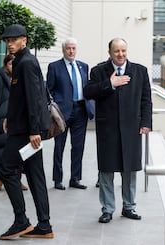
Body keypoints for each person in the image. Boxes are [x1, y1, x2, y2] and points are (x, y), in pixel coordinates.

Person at [83, 38, 152, 223]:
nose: (120, 54)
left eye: (123, 50)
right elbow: (88, 92)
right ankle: (107, 209)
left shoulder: (140, 71)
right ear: (110, 52)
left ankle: (129, 207)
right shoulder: (99, 71)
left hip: (132, 128)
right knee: (106, 170)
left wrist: (146, 122)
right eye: (116, 51)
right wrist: (110, 84)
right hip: (108, 129)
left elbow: (146, 100)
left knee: (129, 169)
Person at [0, 24, 53, 240]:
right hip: (22, 128)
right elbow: (21, 98)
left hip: (24, 133)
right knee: (35, 175)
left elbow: (34, 98)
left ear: (24, 40)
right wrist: (8, 118)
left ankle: (21, 221)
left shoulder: (26, 62)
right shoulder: (22, 61)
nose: (9, 43)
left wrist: (33, 131)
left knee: (5, 170)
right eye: (7, 40)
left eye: (14, 40)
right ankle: (45, 225)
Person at [46, 37, 94, 190]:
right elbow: (49, 90)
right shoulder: (54, 67)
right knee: (59, 146)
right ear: (63, 50)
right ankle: (57, 179)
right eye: (68, 48)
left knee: (78, 146)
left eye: (73, 48)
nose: (71, 51)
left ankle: (75, 178)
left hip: (81, 110)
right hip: (62, 113)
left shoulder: (83, 66)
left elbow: (87, 87)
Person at [0, 54, 28, 191]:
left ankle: (16, 180)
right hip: (0, 124)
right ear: (5, 65)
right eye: (10, 64)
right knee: (0, 154)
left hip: (17, 123)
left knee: (18, 155)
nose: (13, 67)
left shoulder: (22, 79)